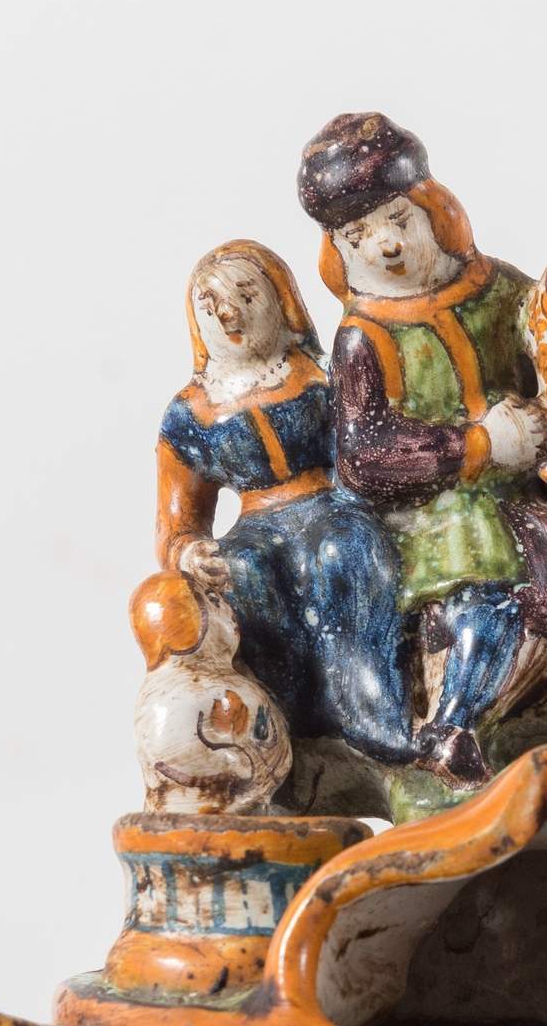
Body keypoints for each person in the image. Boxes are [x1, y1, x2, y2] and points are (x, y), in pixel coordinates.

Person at [298, 113, 547, 784]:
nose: (387, 245)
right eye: (358, 236)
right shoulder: (365, 338)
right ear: (337, 251)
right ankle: (454, 722)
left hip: (541, 483)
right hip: (433, 513)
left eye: (399, 219)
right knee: (482, 562)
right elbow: (364, 457)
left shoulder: (502, 291)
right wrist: (477, 445)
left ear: (436, 212)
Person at [153, 238, 431, 773]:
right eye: (211, 305)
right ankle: (291, 725)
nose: (229, 314)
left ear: (282, 302)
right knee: (241, 573)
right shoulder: (189, 415)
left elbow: (366, 446)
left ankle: (371, 712)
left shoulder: (323, 376)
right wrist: (189, 552)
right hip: (256, 525)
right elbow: (177, 521)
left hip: (334, 503)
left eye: (246, 295)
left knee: (342, 553)